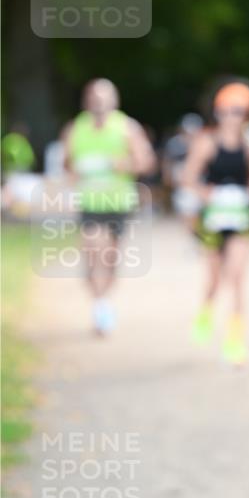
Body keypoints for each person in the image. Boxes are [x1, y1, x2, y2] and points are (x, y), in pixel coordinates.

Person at [182, 80, 249, 363]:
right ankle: (206, 311)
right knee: (214, 279)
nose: (234, 117)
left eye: (240, 112)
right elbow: (187, 179)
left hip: (241, 217)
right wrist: (205, 192)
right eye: (228, 111)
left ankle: (235, 342)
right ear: (218, 112)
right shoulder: (206, 143)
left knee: (237, 277)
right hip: (213, 219)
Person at [61, 79, 156, 336]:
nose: (99, 103)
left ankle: (104, 300)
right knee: (94, 250)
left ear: (114, 101)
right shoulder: (75, 129)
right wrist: (74, 172)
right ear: (86, 101)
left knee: (111, 258)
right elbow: (66, 163)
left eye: (105, 98)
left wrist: (121, 165)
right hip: (90, 202)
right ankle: (99, 305)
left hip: (119, 202)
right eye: (94, 98)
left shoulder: (127, 127)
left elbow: (146, 162)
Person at [162, 113, 203, 227]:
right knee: (186, 213)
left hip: (197, 184)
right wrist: (168, 178)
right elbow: (168, 162)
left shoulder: (202, 143)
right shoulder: (175, 143)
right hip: (181, 185)